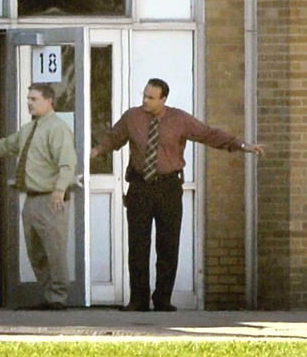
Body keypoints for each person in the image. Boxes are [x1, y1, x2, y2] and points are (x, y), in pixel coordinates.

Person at [91, 78, 266, 312]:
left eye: (151, 97)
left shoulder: (179, 119)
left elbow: (208, 134)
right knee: (138, 245)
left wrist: (242, 145)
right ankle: (138, 299)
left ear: (163, 99)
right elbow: (113, 138)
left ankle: (162, 298)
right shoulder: (132, 117)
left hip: (168, 187)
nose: (145, 100)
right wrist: (94, 151)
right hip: (140, 187)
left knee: (168, 245)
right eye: (144, 95)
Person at [0, 84, 76, 310]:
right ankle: (50, 296)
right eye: (28, 98)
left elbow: (67, 162)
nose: (29, 102)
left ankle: (58, 297)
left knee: (54, 250)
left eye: (34, 99)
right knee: (36, 251)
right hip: (32, 198)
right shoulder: (29, 128)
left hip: (51, 199)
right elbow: (7, 146)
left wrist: (60, 189)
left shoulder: (57, 128)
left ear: (48, 101)